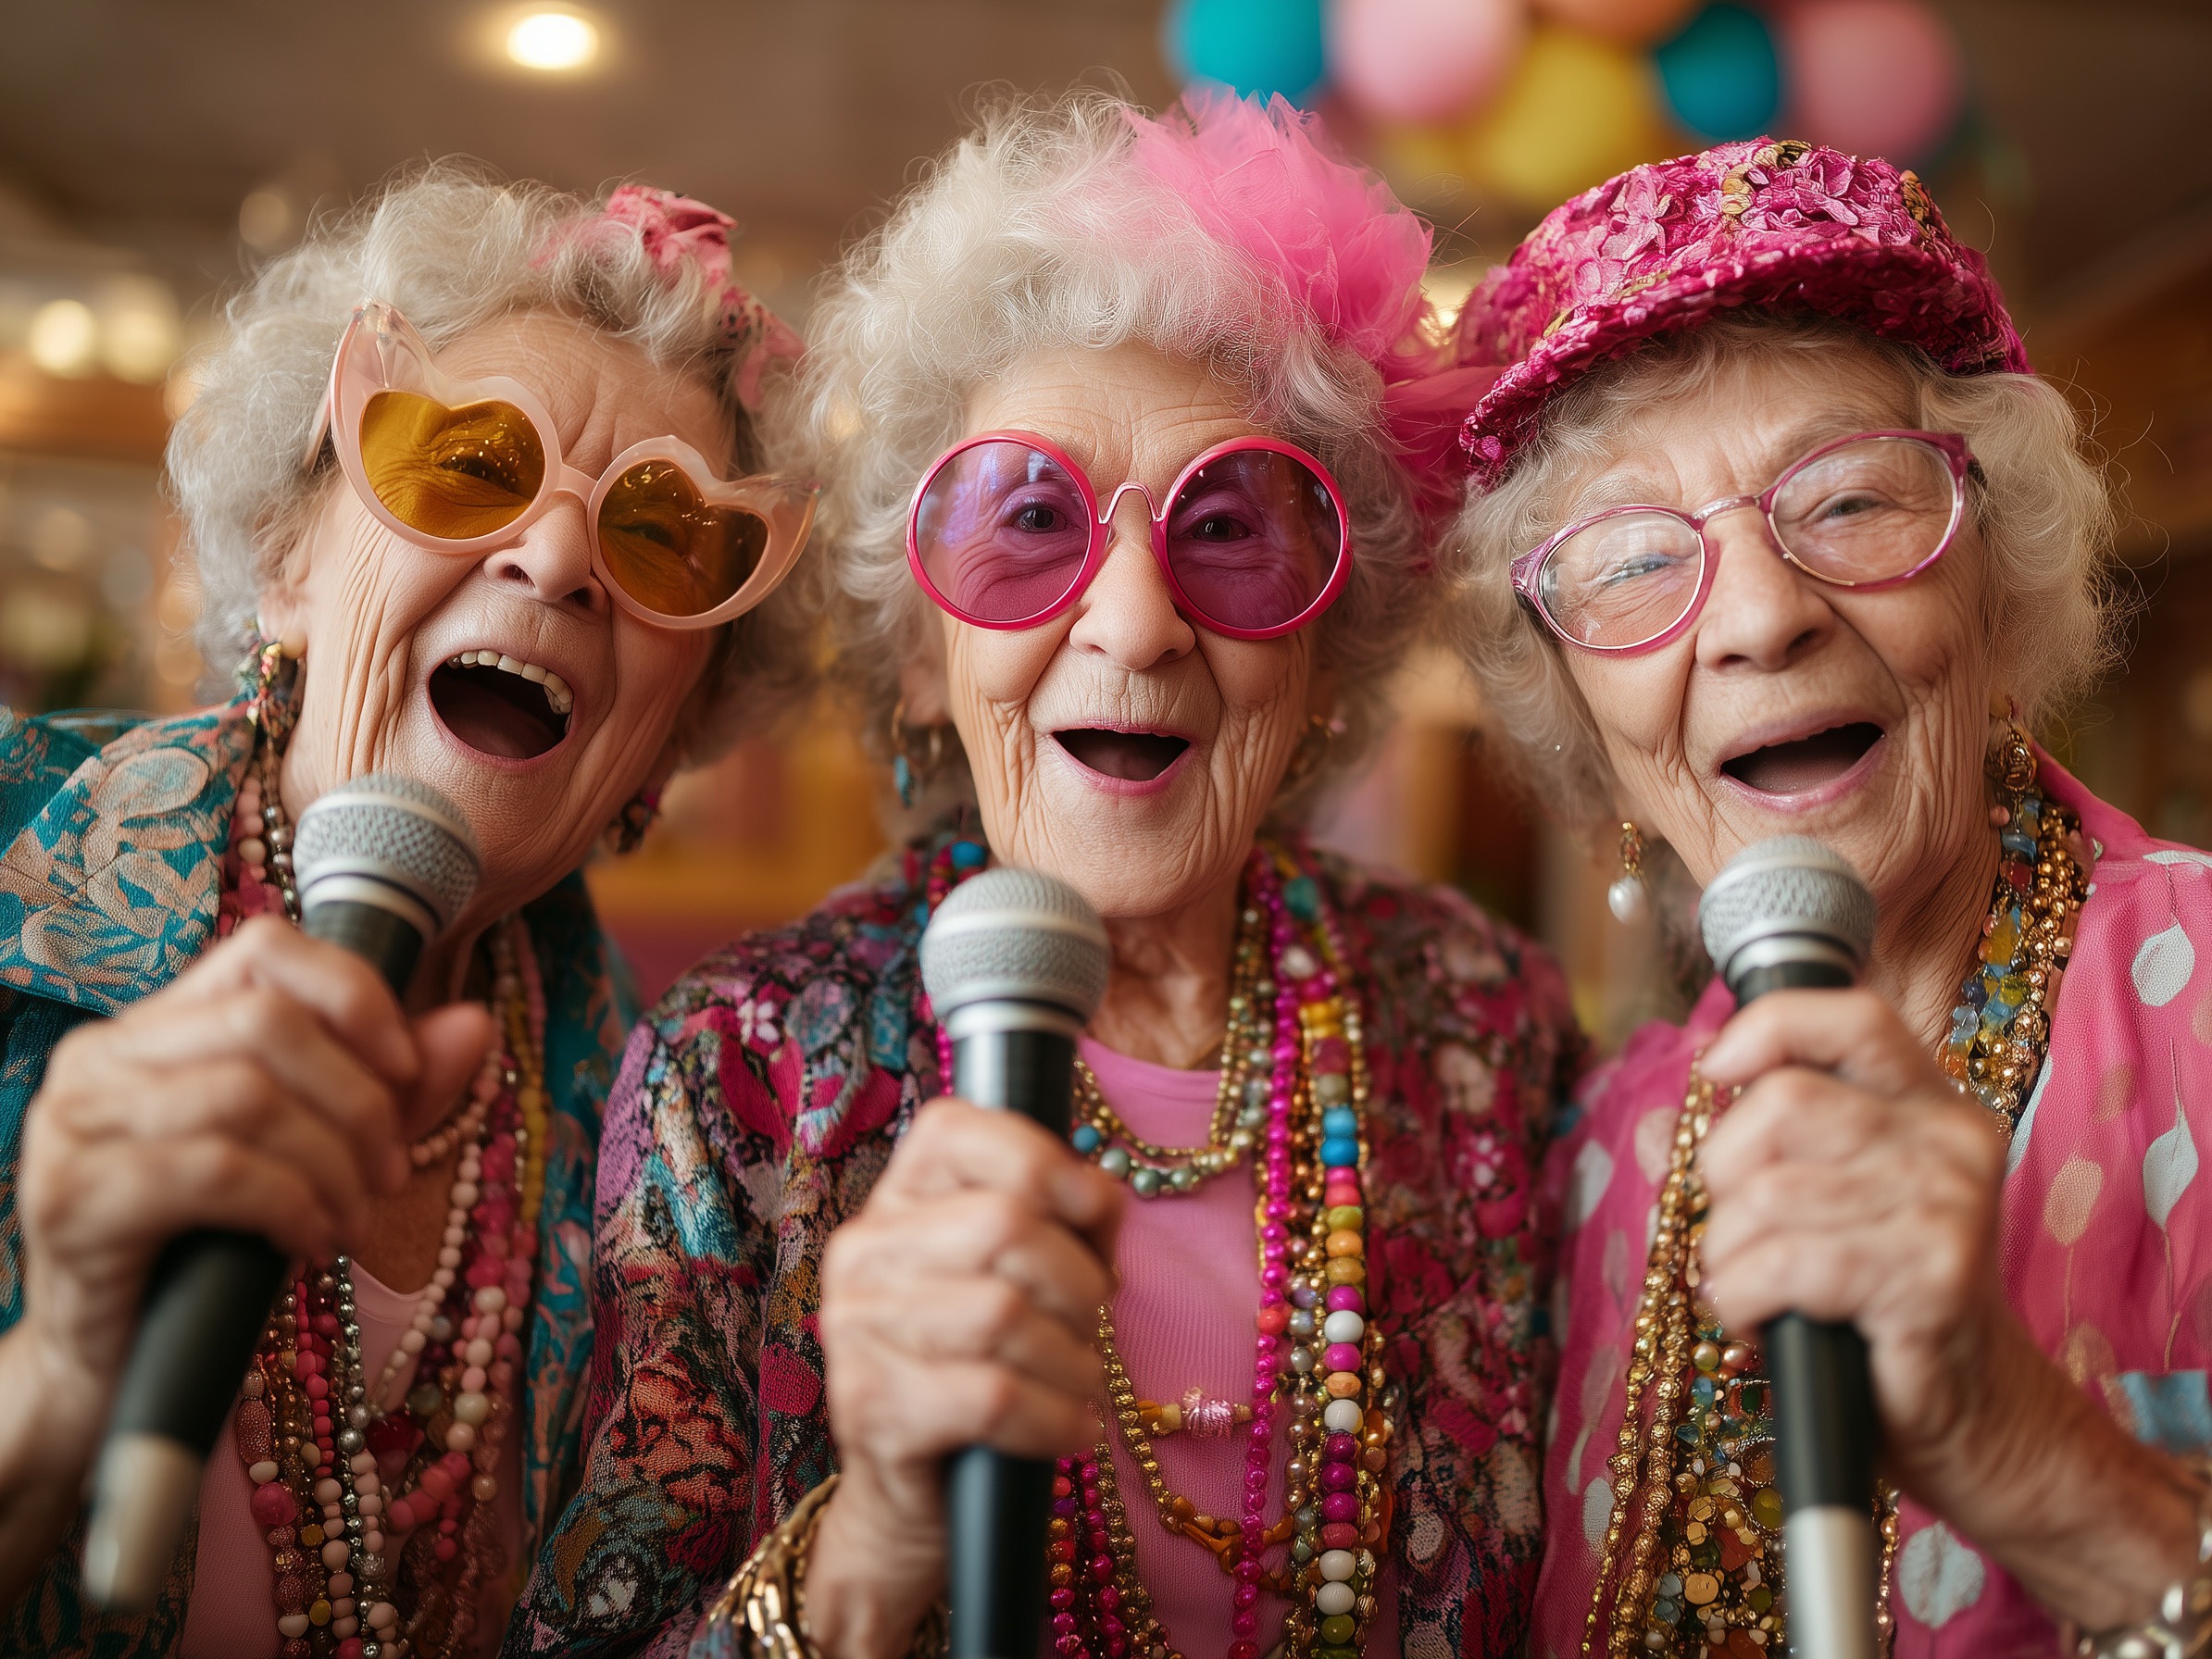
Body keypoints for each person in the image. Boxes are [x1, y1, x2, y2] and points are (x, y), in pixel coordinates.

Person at [508, 94, 1581, 1659]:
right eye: (1028, 522)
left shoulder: (1489, 1025)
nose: (1136, 623)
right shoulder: (737, 1070)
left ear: (1323, 661)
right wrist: (865, 1550)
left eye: (1229, 530)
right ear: (924, 658)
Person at [0, 167, 814, 1659]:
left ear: (677, 720)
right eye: (470, 465)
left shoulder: (670, 1126)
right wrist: (54, 1370)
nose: (557, 561)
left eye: (658, 538)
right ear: (289, 558)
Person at [1453, 137, 2212, 1656]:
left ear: (1993, 582)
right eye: (1628, 559)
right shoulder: (1594, 1148)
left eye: (1849, 500)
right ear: (1580, 712)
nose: (1754, 619)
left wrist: (2025, 1455)